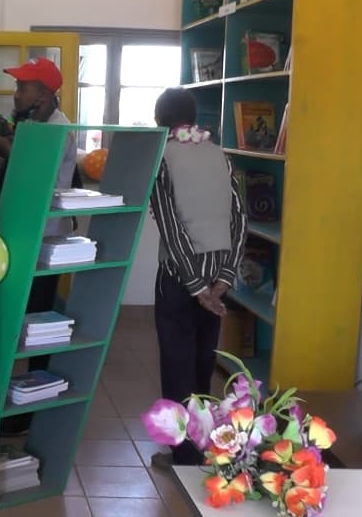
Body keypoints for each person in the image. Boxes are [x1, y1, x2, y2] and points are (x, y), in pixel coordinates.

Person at [147, 87, 247, 467]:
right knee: (203, 364)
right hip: (217, 278)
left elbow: (171, 227)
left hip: (179, 278)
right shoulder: (220, 155)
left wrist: (196, 285)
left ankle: (183, 456)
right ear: (192, 119)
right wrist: (223, 278)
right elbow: (240, 219)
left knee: (177, 367)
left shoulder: (162, 157)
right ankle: (203, 445)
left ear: (161, 121)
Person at [0, 57, 78, 436]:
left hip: (47, 241)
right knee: (22, 319)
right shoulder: (34, 125)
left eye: (23, 88)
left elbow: (38, 174)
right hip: (27, 236)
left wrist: (5, 146)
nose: (16, 94)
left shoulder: (59, 130)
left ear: (44, 94)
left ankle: (35, 403)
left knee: (38, 324)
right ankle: (23, 395)